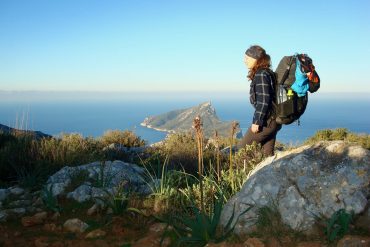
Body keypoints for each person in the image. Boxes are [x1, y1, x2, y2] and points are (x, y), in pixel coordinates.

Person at [237, 45, 281, 156]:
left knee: (242, 148)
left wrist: (257, 122)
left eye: (247, 58)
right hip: (274, 121)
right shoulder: (268, 73)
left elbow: (263, 99)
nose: (244, 61)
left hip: (266, 122)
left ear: (257, 59)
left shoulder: (261, 74)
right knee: (267, 155)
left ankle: (248, 173)